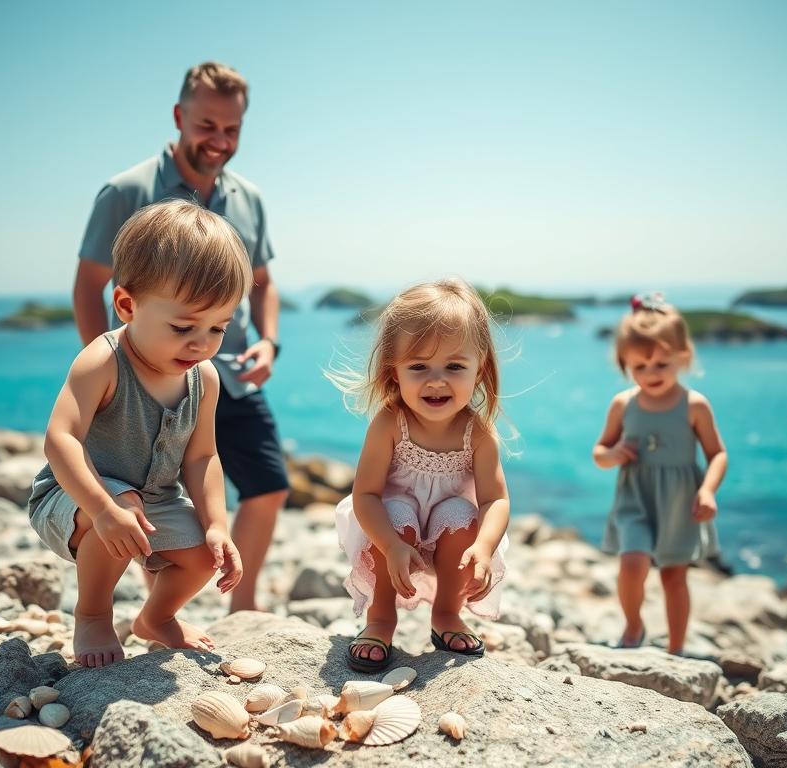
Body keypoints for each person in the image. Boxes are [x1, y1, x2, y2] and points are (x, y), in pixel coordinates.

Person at [72, 61, 289, 612]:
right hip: (141, 377)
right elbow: (89, 284)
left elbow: (263, 283)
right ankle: (155, 607)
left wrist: (268, 340)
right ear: (179, 116)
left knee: (268, 486)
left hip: (224, 371)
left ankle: (244, 605)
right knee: (141, 494)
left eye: (232, 130)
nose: (220, 140)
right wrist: (111, 371)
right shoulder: (125, 191)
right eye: (208, 125)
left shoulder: (250, 198)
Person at [30, 200, 253, 667]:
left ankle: (156, 617)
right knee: (125, 503)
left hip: (152, 500)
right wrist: (103, 507)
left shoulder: (203, 378)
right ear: (128, 306)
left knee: (200, 557)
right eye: (183, 326)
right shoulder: (103, 360)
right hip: (75, 496)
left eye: (218, 327)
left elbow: (202, 458)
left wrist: (216, 525)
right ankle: (92, 614)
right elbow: (61, 439)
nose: (201, 343)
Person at [329, 279, 511, 672]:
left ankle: (446, 613)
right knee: (395, 512)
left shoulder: (477, 432)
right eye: (418, 367)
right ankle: (380, 618)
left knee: (463, 516)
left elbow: (495, 500)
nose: (436, 380)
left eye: (454, 366)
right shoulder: (390, 423)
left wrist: (483, 547)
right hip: (393, 530)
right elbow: (366, 496)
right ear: (394, 372)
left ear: (480, 370)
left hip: (449, 537)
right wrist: (392, 545)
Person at [593, 293, 728, 655]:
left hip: (680, 501)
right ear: (625, 364)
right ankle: (634, 626)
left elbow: (717, 454)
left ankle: (676, 649)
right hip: (634, 497)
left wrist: (709, 491)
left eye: (661, 364)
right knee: (632, 561)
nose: (651, 374)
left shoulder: (694, 405)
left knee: (673, 575)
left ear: (682, 356)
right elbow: (599, 454)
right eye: (640, 367)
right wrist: (615, 454)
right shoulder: (623, 404)